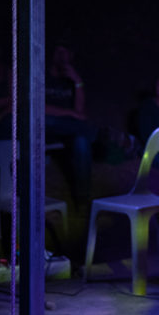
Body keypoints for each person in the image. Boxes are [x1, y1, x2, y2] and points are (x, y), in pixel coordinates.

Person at [45, 42, 99, 208]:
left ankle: (82, 201)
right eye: (58, 52)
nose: (62, 56)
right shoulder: (43, 75)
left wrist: (77, 81)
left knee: (82, 142)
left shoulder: (71, 79)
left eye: (65, 52)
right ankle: (95, 134)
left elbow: (79, 111)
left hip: (68, 128)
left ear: (71, 56)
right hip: (46, 124)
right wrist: (69, 113)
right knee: (54, 120)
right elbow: (38, 107)